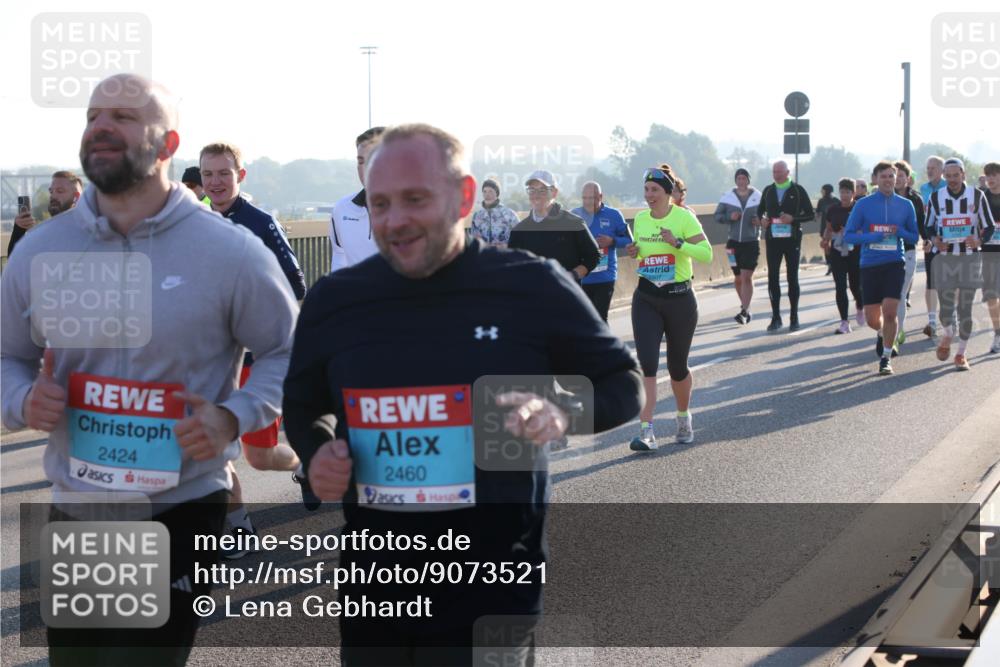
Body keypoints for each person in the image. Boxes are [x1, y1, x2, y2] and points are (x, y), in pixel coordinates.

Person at [282, 123, 642, 664]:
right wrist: (318, 450)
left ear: (465, 197)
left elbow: (623, 383)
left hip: (492, 584)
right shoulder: (336, 301)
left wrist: (563, 409)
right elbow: (304, 405)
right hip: (377, 589)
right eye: (380, 204)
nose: (395, 219)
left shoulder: (530, 284)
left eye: (415, 199)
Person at [0, 73, 297, 665]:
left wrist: (234, 416)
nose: (103, 126)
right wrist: (22, 399)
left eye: (125, 117)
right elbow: (7, 355)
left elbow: (288, 351)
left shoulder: (231, 251)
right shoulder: (41, 249)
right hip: (79, 505)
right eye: (93, 116)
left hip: (180, 507)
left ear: (168, 144)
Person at [200, 142, 312, 552]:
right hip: (208, 358)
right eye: (208, 173)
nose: (215, 181)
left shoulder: (260, 222)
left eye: (224, 173)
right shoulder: (190, 221)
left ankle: (305, 465)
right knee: (212, 447)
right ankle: (238, 523)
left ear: (240, 176)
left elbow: (296, 283)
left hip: (254, 356)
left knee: (260, 457)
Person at [626, 164, 713, 450]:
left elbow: (707, 253)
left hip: (680, 300)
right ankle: (647, 431)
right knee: (646, 364)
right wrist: (635, 251)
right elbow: (641, 251)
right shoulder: (640, 219)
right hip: (647, 298)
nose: (649, 195)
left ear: (667, 192)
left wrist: (677, 243)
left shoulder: (684, 218)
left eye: (654, 190)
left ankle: (683, 416)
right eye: (646, 190)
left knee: (677, 367)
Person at [843, 161, 919, 375]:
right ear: (875, 179)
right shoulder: (863, 205)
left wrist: (900, 231)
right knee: (871, 319)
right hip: (869, 264)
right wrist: (871, 237)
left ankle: (886, 357)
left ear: (897, 179)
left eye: (891, 176)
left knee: (890, 310)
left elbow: (914, 236)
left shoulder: (906, 205)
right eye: (883, 176)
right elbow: (849, 235)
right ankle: (883, 333)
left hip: (895, 262)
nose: (888, 180)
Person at [926, 158, 996, 370]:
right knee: (946, 308)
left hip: (970, 258)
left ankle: (961, 354)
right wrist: (935, 240)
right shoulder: (936, 198)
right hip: (945, 258)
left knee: (965, 307)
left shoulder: (977, 195)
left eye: (956, 175)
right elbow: (928, 226)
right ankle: (948, 333)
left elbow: (990, 226)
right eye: (949, 176)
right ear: (944, 176)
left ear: (963, 174)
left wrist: (979, 240)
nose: (953, 180)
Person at [508, 169, 600, 282]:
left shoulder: (574, 224)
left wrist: (571, 276)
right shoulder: (519, 231)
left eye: (542, 190)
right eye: (532, 190)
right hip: (531, 297)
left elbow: (594, 256)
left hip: (565, 296)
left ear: (554, 193)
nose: (536, 196)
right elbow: (512, 266)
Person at [754, 160, 815, 332]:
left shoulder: (797, 190)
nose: (777, 175)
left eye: (780, 172)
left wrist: (793, 218)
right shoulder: (768, 190)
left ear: (788, 172)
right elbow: (760, 211)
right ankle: (776, 317)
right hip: (773, 239)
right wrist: (762, 220)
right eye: (774, 172)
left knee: (792, 277)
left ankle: (794, 317)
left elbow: (810, 214)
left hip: (792, 240)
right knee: (772, 277)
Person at [571, 181, 633, 322]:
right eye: (584, 198)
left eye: (591, 198)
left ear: (600, 196)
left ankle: (604, 344)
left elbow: (630, 240)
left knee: (599, 318)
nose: (587, 202)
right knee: (583, 320)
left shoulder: (614, 215)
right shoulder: (574, 215)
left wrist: (612, 241)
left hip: (605, 277)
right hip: (582, 277)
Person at [329, 127, 385, 272]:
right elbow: (339, 257)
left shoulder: (415, 212)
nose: (365, 168)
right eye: (361, 161)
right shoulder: (342, 209)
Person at [713, 168, 761, 324]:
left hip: (751, 242)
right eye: (739, 178)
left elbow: (765, 216)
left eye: (744, 178)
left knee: (747, 276)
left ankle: (744, 311)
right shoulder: (728, 197)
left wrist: (759, 221)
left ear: (748, 180)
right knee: (738, 278)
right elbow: (717, 216)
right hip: (733, 243)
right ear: (736, 180)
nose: (741, 181)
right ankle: (745, 306)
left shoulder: (758, 197)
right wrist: (729, 217)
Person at [820, 178, 863, 333]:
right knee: (840, 286)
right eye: (842, 192)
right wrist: (825, 240)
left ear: (853, 193)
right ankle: (844, 322)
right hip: (837, 251)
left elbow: (866, 229)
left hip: (855, 251)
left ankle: (860, 305)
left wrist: (854, 233)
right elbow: (828, 228)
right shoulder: (833, 209)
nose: (844, 195)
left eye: (847, 192)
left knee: (855, 285)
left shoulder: (860, 208)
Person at [6, 171, 84, 256]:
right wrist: (19, 230)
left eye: (60, 191)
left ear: (76, 197)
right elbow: (16, 261)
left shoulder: (90, 232)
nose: (53, 196)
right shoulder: (44, 233)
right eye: (51, 191)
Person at [893, 160, 925, 351]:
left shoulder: (916, 199)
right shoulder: (881, 197)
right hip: (885, 251)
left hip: (909, 250)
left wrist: (927, 239)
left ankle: (899, 330)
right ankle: (889, 329)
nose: (897, 179)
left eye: (901, 176)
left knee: (900, 294)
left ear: (908, 178)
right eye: (893, 175)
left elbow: (922, 224)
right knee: (889, 295)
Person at [920, 156, 948, 339]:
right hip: (931, 238)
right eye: (928, 168)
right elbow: (924, 215)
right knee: (931, 280)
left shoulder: (950, 186)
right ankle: (931, 321)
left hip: (951, 239)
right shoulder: (924, 188)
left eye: (933, 168)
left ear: (941, 170)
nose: (929, 171)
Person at [979, 162, 1000, 353]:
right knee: (992, 295)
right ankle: (998, 334)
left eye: (994, 175)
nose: (991, 179)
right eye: (988, 175)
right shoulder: (980, 198)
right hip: (988, 252)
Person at [470, 178, 518, 248]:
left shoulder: (509, 214)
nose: (487, 194)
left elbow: (519, 238)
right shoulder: (477, 216)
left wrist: (506, 246)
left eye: (491, 191)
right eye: (484, 191)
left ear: (497, 194)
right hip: (484, 256)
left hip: (504, 255)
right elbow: (474, 240)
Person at [816, 183, 838, 275]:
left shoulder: (836, 201)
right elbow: (818, 213)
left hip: (835, 227)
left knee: (834, 245)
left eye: (823, 190)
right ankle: (829, 264)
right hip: (824, 227)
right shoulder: (821, 201)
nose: (821, 192)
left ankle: (834, 263)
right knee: (825, 245)